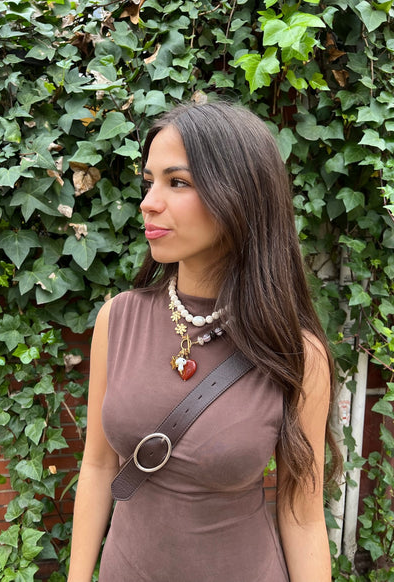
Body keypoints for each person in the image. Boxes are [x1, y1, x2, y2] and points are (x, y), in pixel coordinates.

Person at [68, 101, 341, 582]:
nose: (149, 202)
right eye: (149, 181)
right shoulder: (118, 319)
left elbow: (303, 516)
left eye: (177, 182)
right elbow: (97, 466)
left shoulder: (296, 354)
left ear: (240, 196)